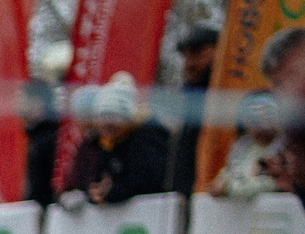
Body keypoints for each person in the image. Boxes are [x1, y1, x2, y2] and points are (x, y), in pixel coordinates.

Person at [62, 72, 171, 206]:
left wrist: (112, 192)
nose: (109, 129)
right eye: (103, 120)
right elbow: (79, 180)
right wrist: (88, 193)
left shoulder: (146, 138)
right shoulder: (96, 144)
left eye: (114, 121)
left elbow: (148, 179)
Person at [170, 22, 221, 196]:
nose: (189, 63)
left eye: (197, 54)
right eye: (186, 56)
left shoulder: (227, 99)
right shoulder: (186, 102)